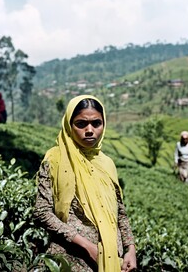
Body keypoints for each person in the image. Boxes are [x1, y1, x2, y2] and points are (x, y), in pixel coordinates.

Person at [34, 95, 137, 272]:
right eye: (81, 124)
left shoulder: (107, 164)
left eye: (96, 123)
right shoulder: (55, 160)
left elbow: (120, 212)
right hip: (71, 257)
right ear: (69, 125)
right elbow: (42, 212)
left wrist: (131, 250)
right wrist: (87, 246)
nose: (89, 130)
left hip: (112, 257)